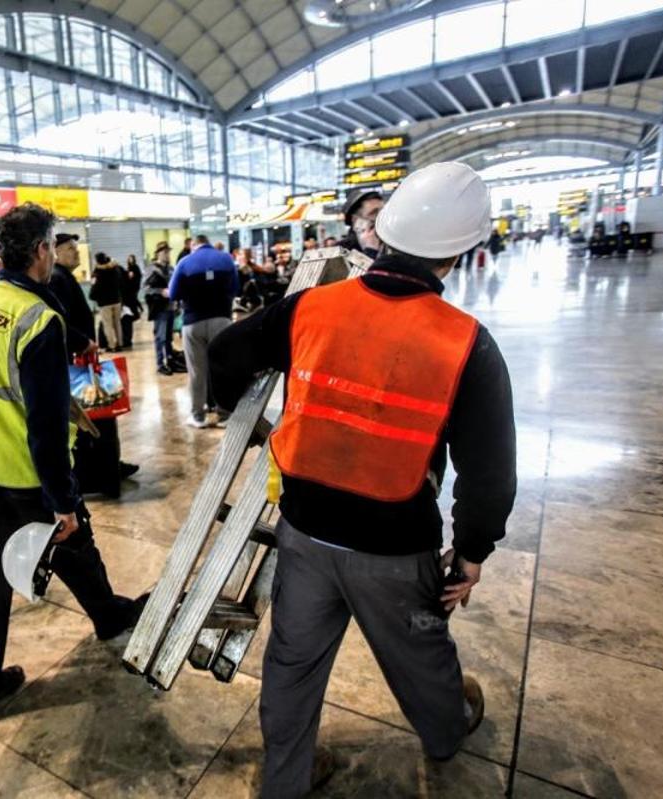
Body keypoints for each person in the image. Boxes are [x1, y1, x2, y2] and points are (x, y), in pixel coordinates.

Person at [208, 162, 516, 796]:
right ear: (457, 254)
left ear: (384, 235)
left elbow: (225, 355)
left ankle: (285, 783)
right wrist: (473, 551)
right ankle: (445, 733)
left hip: (305, 533)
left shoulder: (311, 309)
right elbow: (490, 474)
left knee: (292, 667)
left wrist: (272, 428)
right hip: (395, 546)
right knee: (421, 657)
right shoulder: (467, 344)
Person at [0, 203, 144, 726]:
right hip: (26, 470)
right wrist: (63, 501)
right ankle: (109, 616)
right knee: (73, 536)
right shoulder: (39, 320)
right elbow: (45, 424)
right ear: (41, 250)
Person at [50, 235, 139, 490]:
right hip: (74, 362)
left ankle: (110, 466)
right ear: (54, 252)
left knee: (100, 416)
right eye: (70, 249)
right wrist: (82, 343)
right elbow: (59, 323)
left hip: (80, 359)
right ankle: (103, 472)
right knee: (94, 417)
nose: (76, 253)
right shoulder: (57, 279)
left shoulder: (63, 277)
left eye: (76, 248)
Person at [168, 234, 238, 428]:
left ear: (193, 245)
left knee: (197, 371)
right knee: (221, 367)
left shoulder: (184, 262)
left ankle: (198, 416)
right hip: (222, 320)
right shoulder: (226, 259)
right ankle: (224, 414)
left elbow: (173, 294)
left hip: (193, 322)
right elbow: (235, 288)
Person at [144, 242, 183, 375]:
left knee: (168, 338)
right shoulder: (152, 269)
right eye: (164, 252)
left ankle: (170, 360)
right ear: (158, 253)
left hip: (171, 306)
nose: (167, 254)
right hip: (160, 308)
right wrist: (160, 291)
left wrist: (177, 301)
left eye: (168, 252)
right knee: (160, 337)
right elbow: (146, 289)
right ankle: (160, 364)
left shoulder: (171, 268)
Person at [89, 252, 123, 352]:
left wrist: (93, 296)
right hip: (116, 300)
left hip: (104, 302)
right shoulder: (115, 269)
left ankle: (111, 346)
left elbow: (95, 287)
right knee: (117, 323)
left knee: (107, 324)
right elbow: (121, 281)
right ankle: (120, 344)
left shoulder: (98, 272)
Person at [339, 188, 384, 259]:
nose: (381, 216)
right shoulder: (341, 250)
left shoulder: (389, 242)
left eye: (382, 211)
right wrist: (370, 251)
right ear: (356, 220)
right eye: (374, 212)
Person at [121, 254, 143, 348]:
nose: (130, 260)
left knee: (134, 300)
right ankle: (140, 309)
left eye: (131, 258)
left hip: (133, 288)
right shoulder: (129, 268)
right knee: (134, 300)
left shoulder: (135, 267)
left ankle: (139, 309)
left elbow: (136, 277)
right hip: (131, 290)